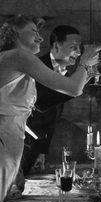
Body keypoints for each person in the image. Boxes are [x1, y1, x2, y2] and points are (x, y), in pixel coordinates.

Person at [0, 15, 101, 202]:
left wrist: (85, 72)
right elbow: (73, 88)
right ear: (14, 33)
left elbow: (71, 86)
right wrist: (85, 60)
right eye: (33, 32)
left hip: (13, 139)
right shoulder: (18, 56)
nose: (40, 38)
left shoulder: (17, 60)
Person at [21, 25, 83, 176]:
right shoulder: (37, 67)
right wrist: (85, 71)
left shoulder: (65, 75)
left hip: (33, 149)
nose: (79, 52)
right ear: (56, 47)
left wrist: (42, 152)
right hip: (16, 144)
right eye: (73, 47)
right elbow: (42, 103)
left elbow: (52, 119)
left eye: (80, 47)